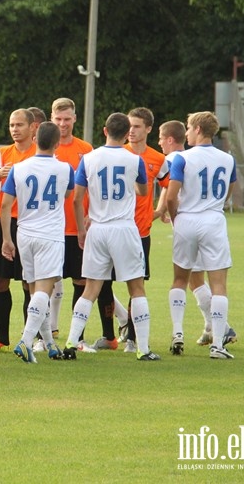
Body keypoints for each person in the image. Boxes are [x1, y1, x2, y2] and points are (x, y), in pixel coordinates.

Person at [61, 112, 160, 361]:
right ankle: (143, 349)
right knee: (137, 288)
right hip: (124, 228)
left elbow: (76, 198)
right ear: (127, 133)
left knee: (90, 289)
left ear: (104, 131)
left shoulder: (89, 158)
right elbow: (143, 190)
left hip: (98, 228)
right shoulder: (134, 159)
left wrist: (82, 231)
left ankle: (71, 342)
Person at [156, 120, 237, 350]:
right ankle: (219, 345)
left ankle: (177, 334)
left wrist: (176, 218)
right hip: (213, 220)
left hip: (187, 219)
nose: (187, 133)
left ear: (198, 129)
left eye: (190, 128)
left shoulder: (183, 158)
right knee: (219, 284)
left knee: (180, 279)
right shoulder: (227, 158)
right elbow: (228, 194)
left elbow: (171, 196)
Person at [94, 107, 169, 352]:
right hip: (111, 228)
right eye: (130, 126)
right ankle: (109, 335)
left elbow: (169, 184)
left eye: (137, 126)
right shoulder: (117, 153)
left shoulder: (157, 159)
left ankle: (133, 338)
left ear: (148, 129)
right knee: (101, 282)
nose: (132, 131)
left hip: (139, 231)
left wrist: (160, 209)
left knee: (135, 284)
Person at [0, 122, 73, 363]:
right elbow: (67, 195)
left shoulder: (18, 168)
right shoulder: (65, 168)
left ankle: (50, 345)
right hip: (49, 235)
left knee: (34, 291)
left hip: (24, 234)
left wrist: (7, 239)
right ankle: (26, 340)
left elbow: (5, 206)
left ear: (35, 138)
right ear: (56, 143)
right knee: (45, 290)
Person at [0, 108, 37, 353]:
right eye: (12, 125)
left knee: (28, 281)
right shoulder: (2, 154)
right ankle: (1, 338)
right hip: (3, 223)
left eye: (19, 125)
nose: (14, 129)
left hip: (29, 223)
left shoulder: (39, 154)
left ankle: (30, 338)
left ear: (32, 127)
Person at [47, 98, 93, 353]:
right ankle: (44, 336)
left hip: (77, 228)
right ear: (51, 119)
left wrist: (91, 216)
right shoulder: (43, 148)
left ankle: (79, 338)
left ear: (75, 118)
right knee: (45, 283)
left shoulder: (86, 150)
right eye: (58, 119)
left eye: (67, 119)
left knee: (81, 282)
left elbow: (94, 187)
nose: (63, 124)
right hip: (51, 228)